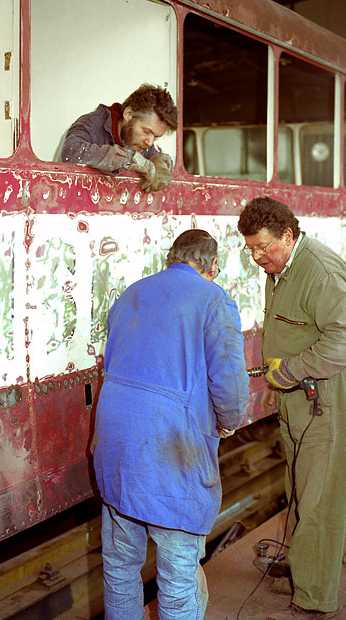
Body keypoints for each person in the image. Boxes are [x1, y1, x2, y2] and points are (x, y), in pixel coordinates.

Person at [91, 229, 249, 620]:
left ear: (171, 258)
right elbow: (229, 387)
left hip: (115, 446)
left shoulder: (130, 294)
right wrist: (228, 423)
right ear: (212, 266)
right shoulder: (215, 300)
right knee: (178, 578)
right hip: (171, 453)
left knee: (120, 567)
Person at [237, 197, 346, 620]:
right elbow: (289, 329)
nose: (257, 257)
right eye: (250, 249)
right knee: (298, 488)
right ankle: (303, 571)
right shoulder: (281, 266)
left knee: (319, 498)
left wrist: (290, 370)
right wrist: (280, 383)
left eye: (263, 247)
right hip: (299, 391)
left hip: (324, 394)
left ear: (288, 237)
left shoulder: (320, 271)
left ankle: (314, 600)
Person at [61, 84, 178, 192]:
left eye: (156, 137)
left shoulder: (144, 142)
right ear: (128, 115)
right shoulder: (92, 123)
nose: (150, 142)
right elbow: (70, 152)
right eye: (146, 131)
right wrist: (127, 159)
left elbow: (162, 159)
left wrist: (162, 162)